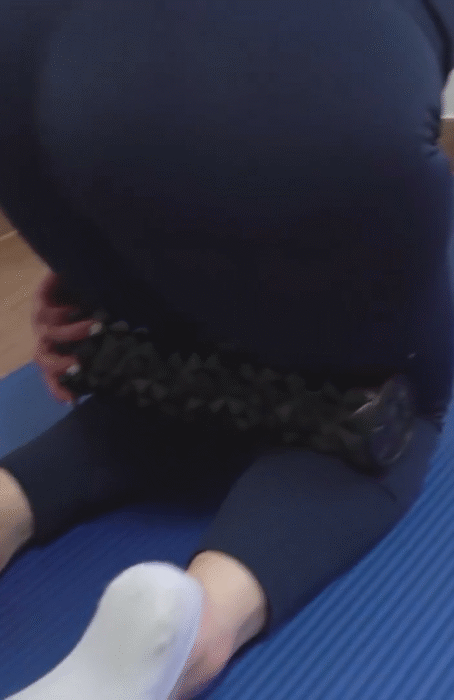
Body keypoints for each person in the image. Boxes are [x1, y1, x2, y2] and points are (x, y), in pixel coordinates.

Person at [1, 1, 454, 698]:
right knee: (398, 396)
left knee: (180, 358)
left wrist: (108, 260)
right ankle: (192, 629)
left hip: (24, 59)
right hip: (310, 80)